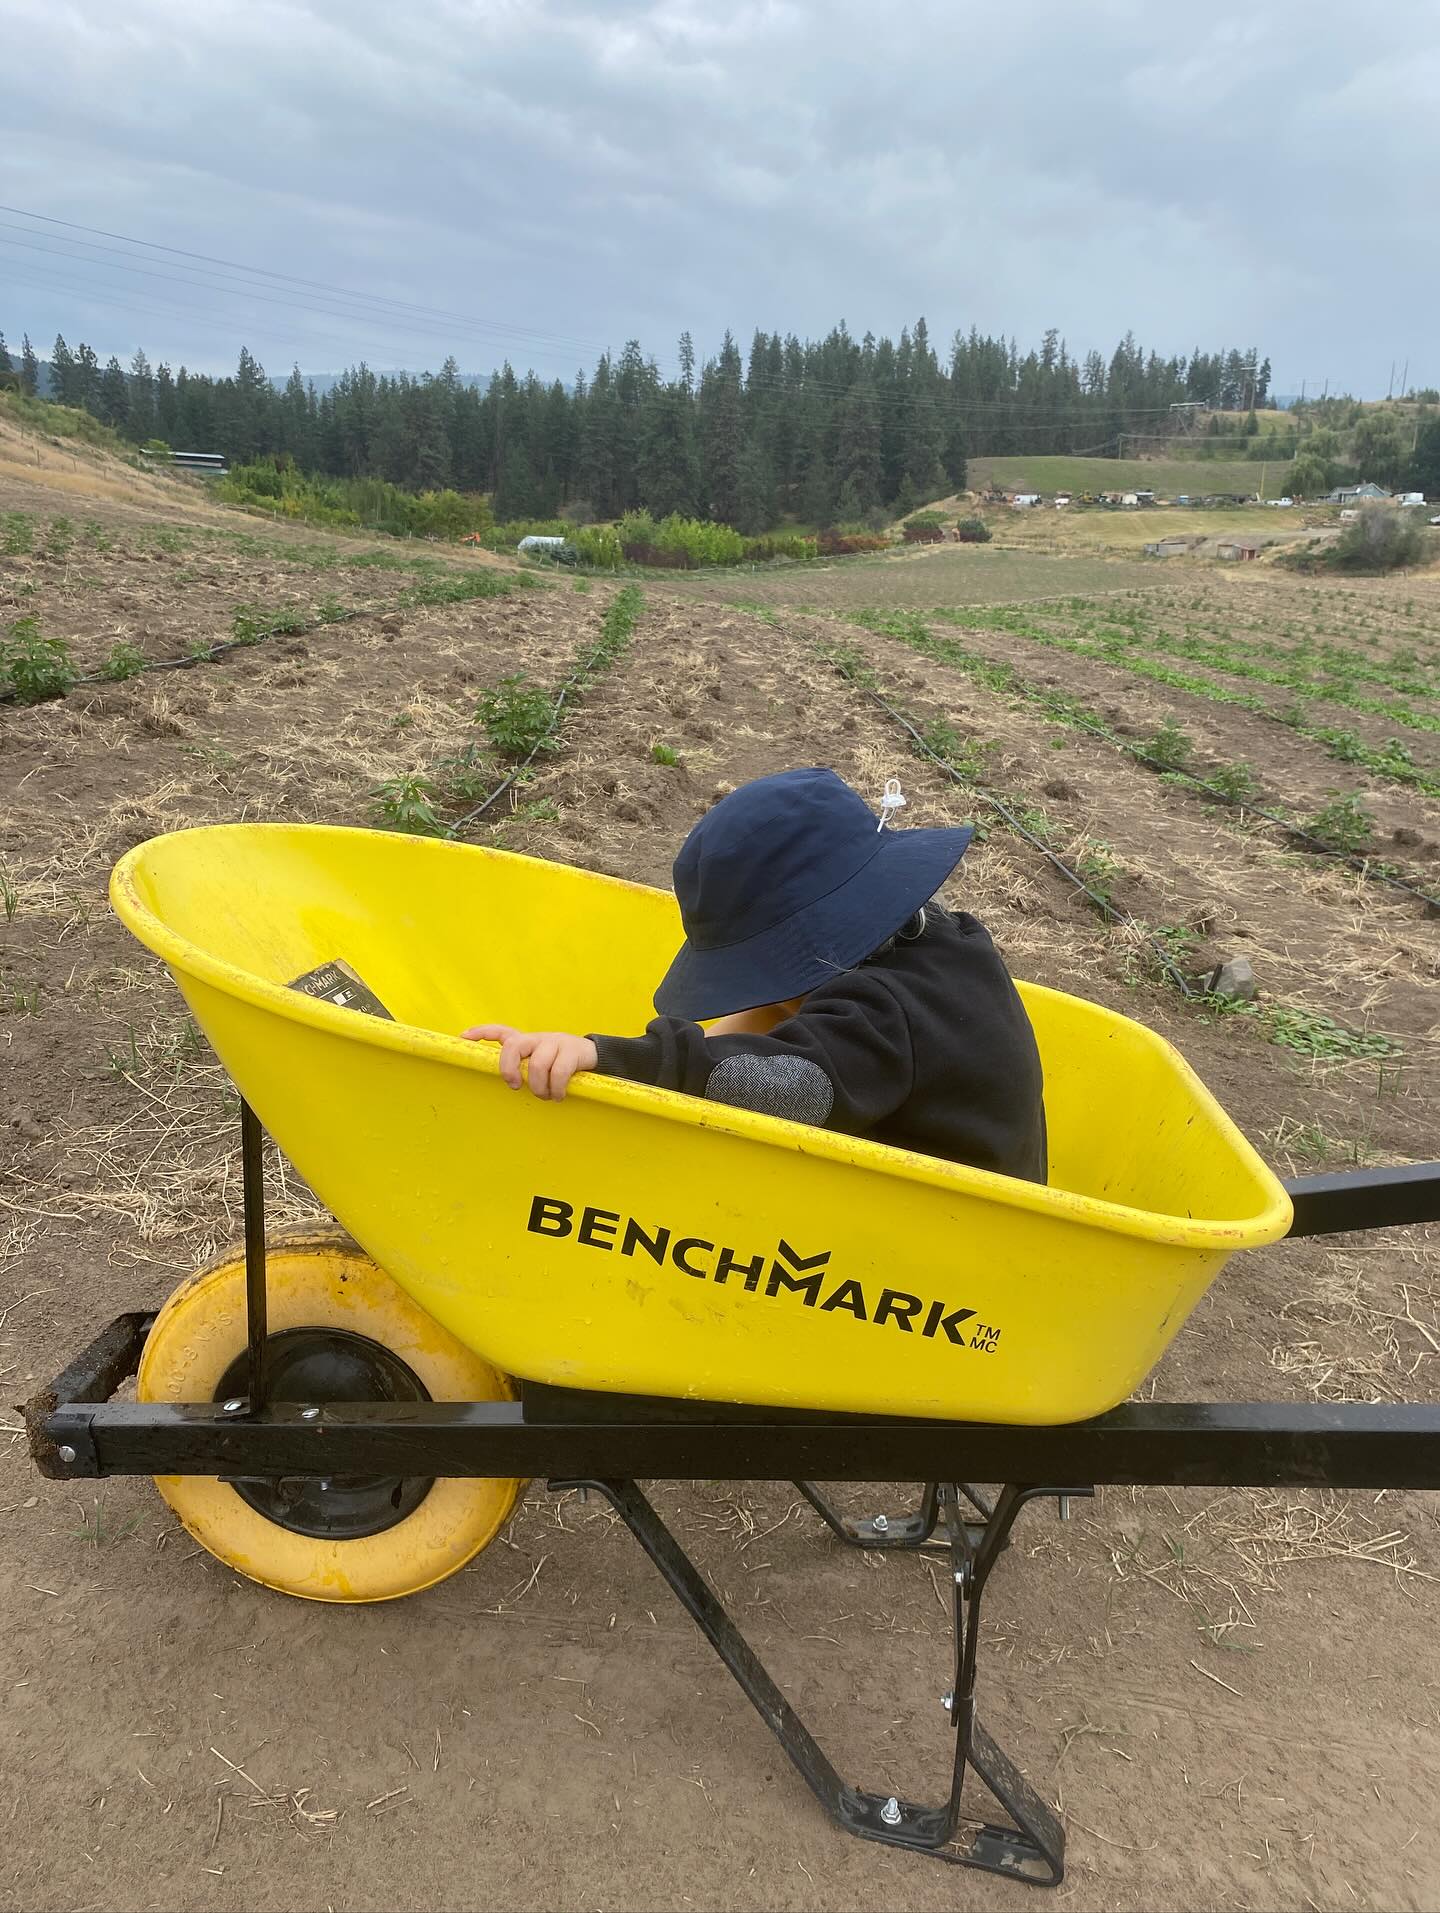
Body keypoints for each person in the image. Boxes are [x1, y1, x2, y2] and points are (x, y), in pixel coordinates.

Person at [462, 767, 1046, 1182]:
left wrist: (613, 1058)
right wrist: (655, 1100)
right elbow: (780, 1016)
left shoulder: (885, 1015)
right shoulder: (937, 939)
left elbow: (794, 1085)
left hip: (943, 1244)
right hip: (940, 1178)